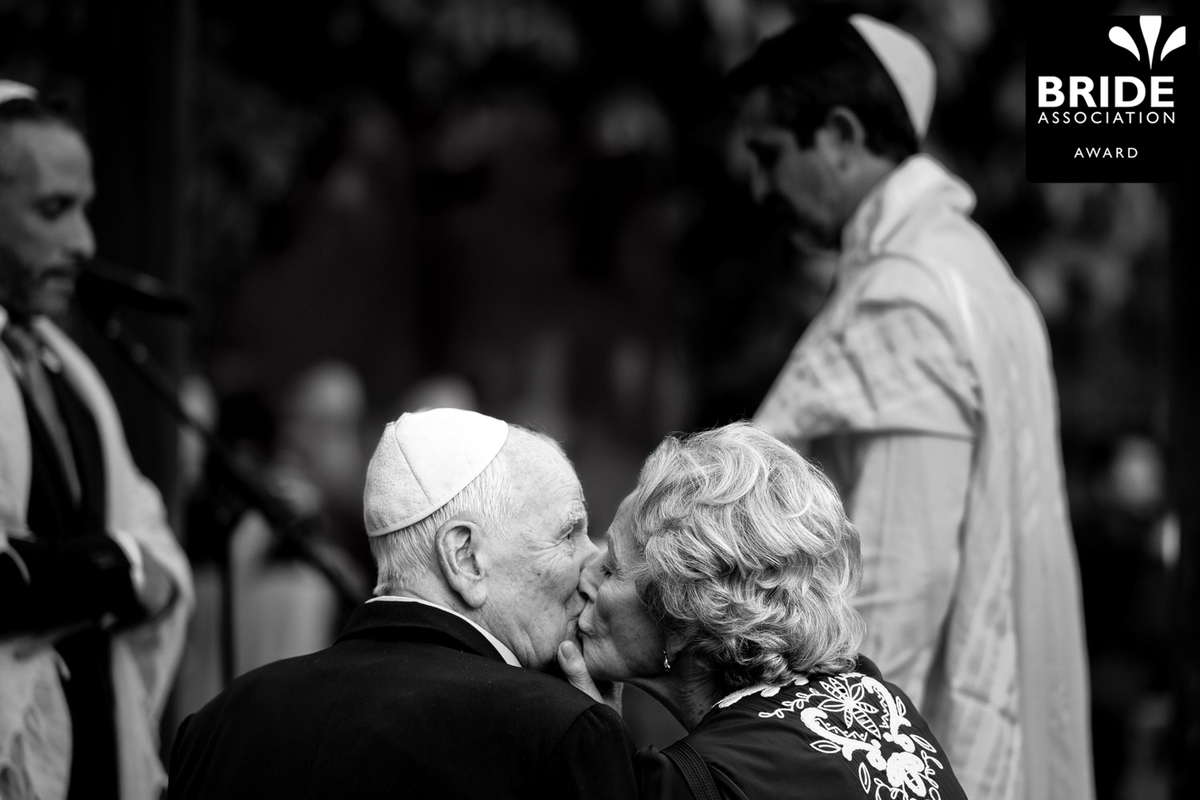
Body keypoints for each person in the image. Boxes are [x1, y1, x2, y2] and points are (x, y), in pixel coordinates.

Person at [729, 14, 1093, 800]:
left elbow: (891, 599)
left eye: (768, 155)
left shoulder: (909, 295)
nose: (760, 188)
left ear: (839, 134)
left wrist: (826, 775)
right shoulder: (971, 272)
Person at [168, 407, 639, 799]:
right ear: (465, 557)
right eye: (569, 533)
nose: (592, 563)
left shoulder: (216, 725)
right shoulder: (559, 733)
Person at [559, 422, 968, 799]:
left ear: (680, 617)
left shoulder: (691, 784)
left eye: (611, 568)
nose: (585, 577)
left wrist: (603, 758)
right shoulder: (881, 703)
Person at [0, 80, 194, 800]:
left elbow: (157, 545)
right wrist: (118, 566)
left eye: (85, 210)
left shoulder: (67, 367)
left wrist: (100, 567)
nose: (84, 243)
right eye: (53, 211)